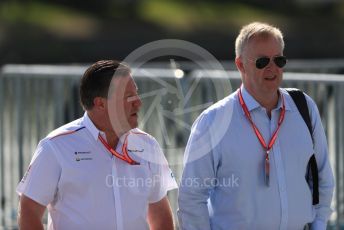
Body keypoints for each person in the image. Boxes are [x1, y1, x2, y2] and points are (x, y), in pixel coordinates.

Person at [178, 22, 334, 230]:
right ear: (241, 65)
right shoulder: (213, 121)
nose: (273, 68)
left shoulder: (304, 108)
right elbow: (191, 198)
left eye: (279, 60)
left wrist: (320, 224)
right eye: (262, 62)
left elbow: (323, 177)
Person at [17, 60, 178, 230]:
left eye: (136, 94)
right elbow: (29, 211)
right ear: (100, 104)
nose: (138, 102)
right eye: (128, 96)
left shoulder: (148, 145)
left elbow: (160, 214)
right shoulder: (55, 146)